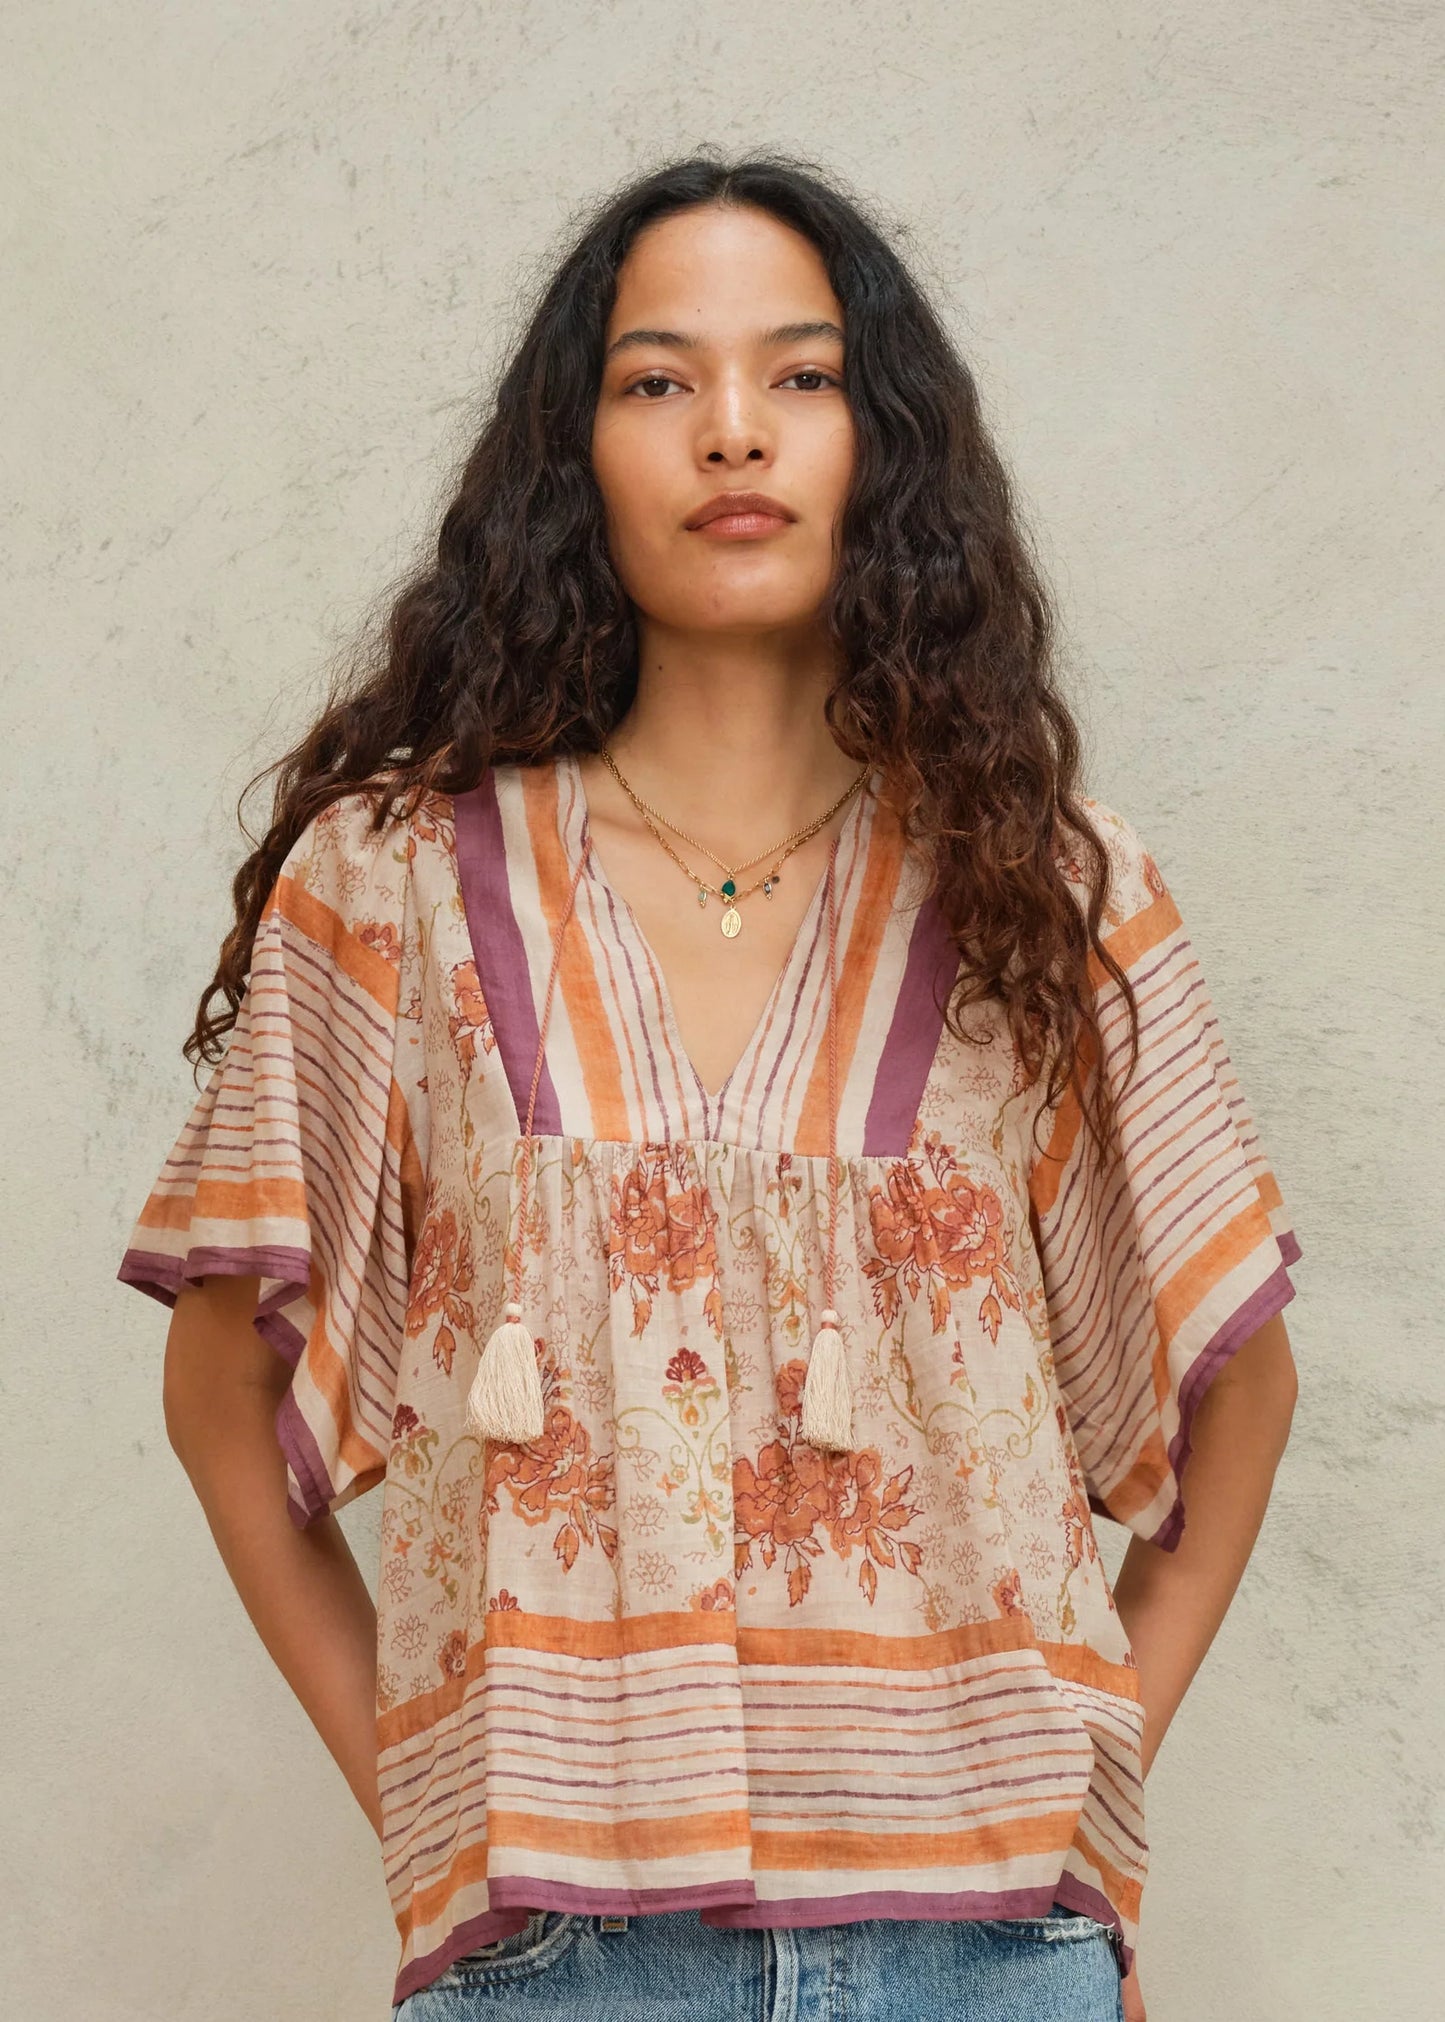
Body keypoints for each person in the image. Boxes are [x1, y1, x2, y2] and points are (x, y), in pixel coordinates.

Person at [117, 151, 1302, 2022]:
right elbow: (219, 1393)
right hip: (560, 1966)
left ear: (881, 443)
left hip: (989, 1957)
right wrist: (432, 1806)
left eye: (803, 377)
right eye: (658, 380)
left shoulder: (1048, 892)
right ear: (571, 456)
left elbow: (1237, 1392)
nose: (733, 433)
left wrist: (1080, 1776)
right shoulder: (396, 885)